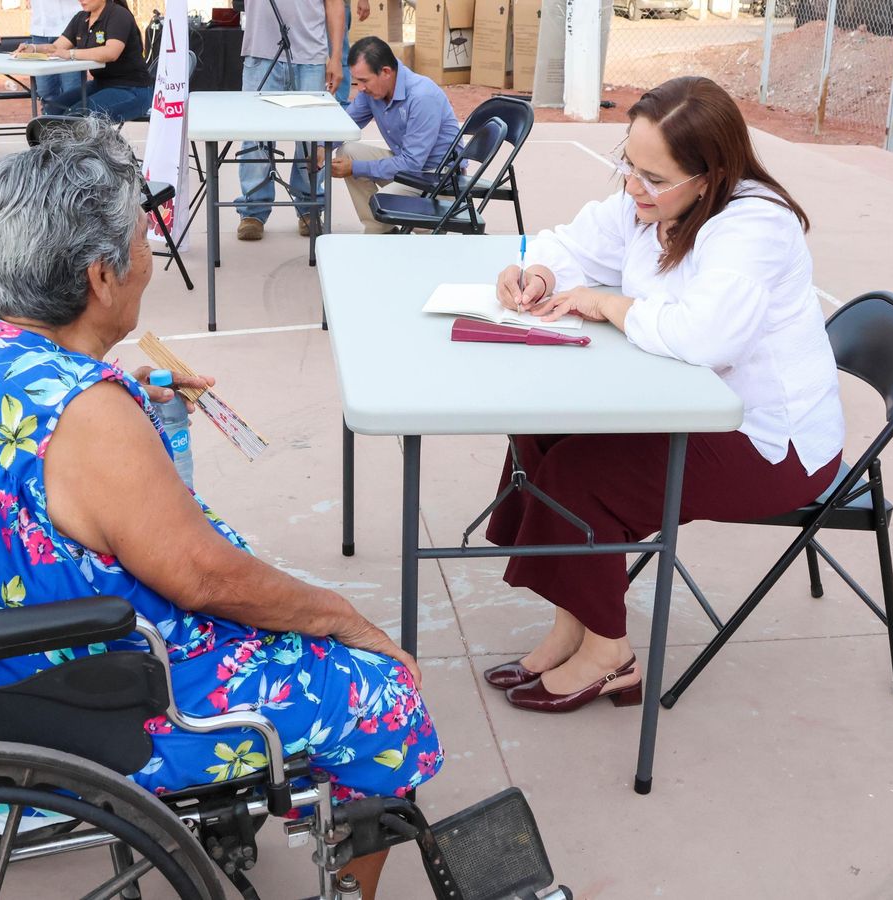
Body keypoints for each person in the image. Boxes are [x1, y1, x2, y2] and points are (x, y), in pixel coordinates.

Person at [0, 118, 438, 898]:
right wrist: (342, 617)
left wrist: (148, 415)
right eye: (142, 241)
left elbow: (33, 474)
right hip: (89, 693)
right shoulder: (86, 415)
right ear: (102, 277)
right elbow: (204, 577)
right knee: (385, 693)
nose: (150, 257)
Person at [483, 77, 844, 714]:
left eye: (653, 177)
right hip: (685, 406)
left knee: (578, 472)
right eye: (629, 163)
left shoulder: (755, 224)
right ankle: (577, 624)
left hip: (768, 443)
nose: (631, 187)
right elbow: (570, 243)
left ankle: (610, 655)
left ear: (711, 176)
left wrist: (605, 302)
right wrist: (537, 273)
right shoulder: (650, 201)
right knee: (540, 435)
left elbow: (704, 338)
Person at [325, 35, 460, 234]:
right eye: (357, 82)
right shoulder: (373, 91)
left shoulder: (422, 96)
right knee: (347, 151)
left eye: (364, 81)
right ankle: (382, 231)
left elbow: (412, 164)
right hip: (410, 170)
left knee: (383, 200)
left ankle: (429, 228)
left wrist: (355, 168)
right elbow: (345, 126)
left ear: (386, 72)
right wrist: (320, 147)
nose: (360, 88)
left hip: (436, 178)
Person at [235, 0, 346, 242]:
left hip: (310, 57)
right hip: (260, 54)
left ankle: (309, 207)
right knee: (255, 135)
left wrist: (336, 57)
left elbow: (335, 5)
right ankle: (253, 211)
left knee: (309, 138)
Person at [18, 0, 153, 120]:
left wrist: (71, 53)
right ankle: (54, 147)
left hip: (132, 89)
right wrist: (33, 48)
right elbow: (55, 47)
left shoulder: (118, 15)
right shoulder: (81, 17)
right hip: (101, 84)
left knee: (77, 116)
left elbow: (111, 52)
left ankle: (81, 148)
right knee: (52, 110)